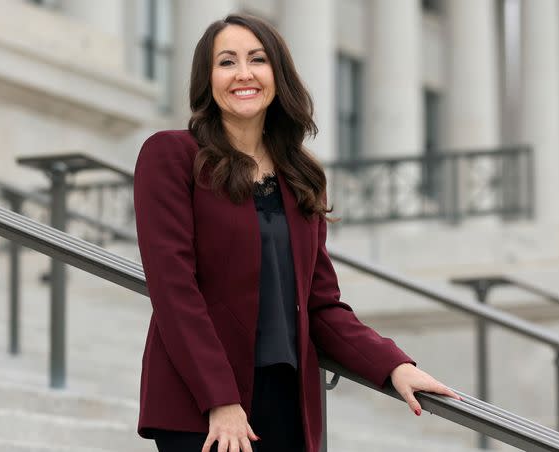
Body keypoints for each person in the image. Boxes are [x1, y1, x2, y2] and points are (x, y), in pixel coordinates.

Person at [133, 13, 461, 452]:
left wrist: (393, 365)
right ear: (206, 79)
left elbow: (321, 304)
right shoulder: (170, 155)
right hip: (203, 405)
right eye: (226, 62)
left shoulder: (301, 176)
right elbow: (174, 290)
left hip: (288, 402)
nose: (243, 74)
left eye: (257, 60)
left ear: (277, 75)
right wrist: (221, 398)